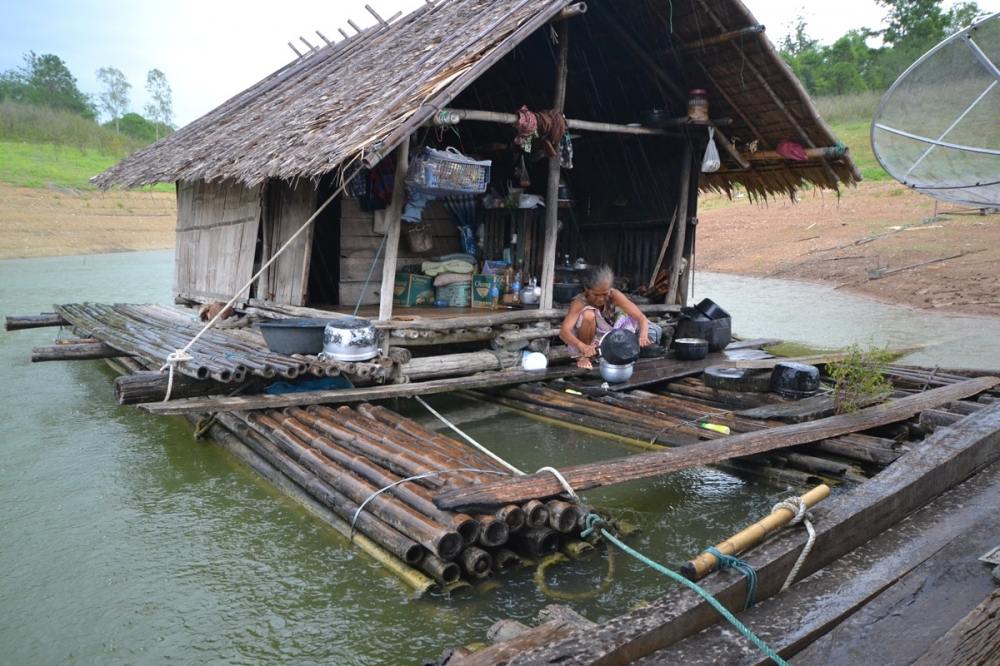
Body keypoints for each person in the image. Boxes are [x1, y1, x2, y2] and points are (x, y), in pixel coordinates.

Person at [559, 265, 653, 369]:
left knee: (625, 317)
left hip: (608, 336)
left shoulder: (614, 294)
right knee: (588, 314)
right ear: (586, 289)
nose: (600, 299)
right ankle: (584, 357)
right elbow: (564, 332)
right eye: (596, 294)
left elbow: (641, 317)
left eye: (604, 294)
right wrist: (582, 346)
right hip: (587, 339)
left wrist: (643, 335)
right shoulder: (579, 301)